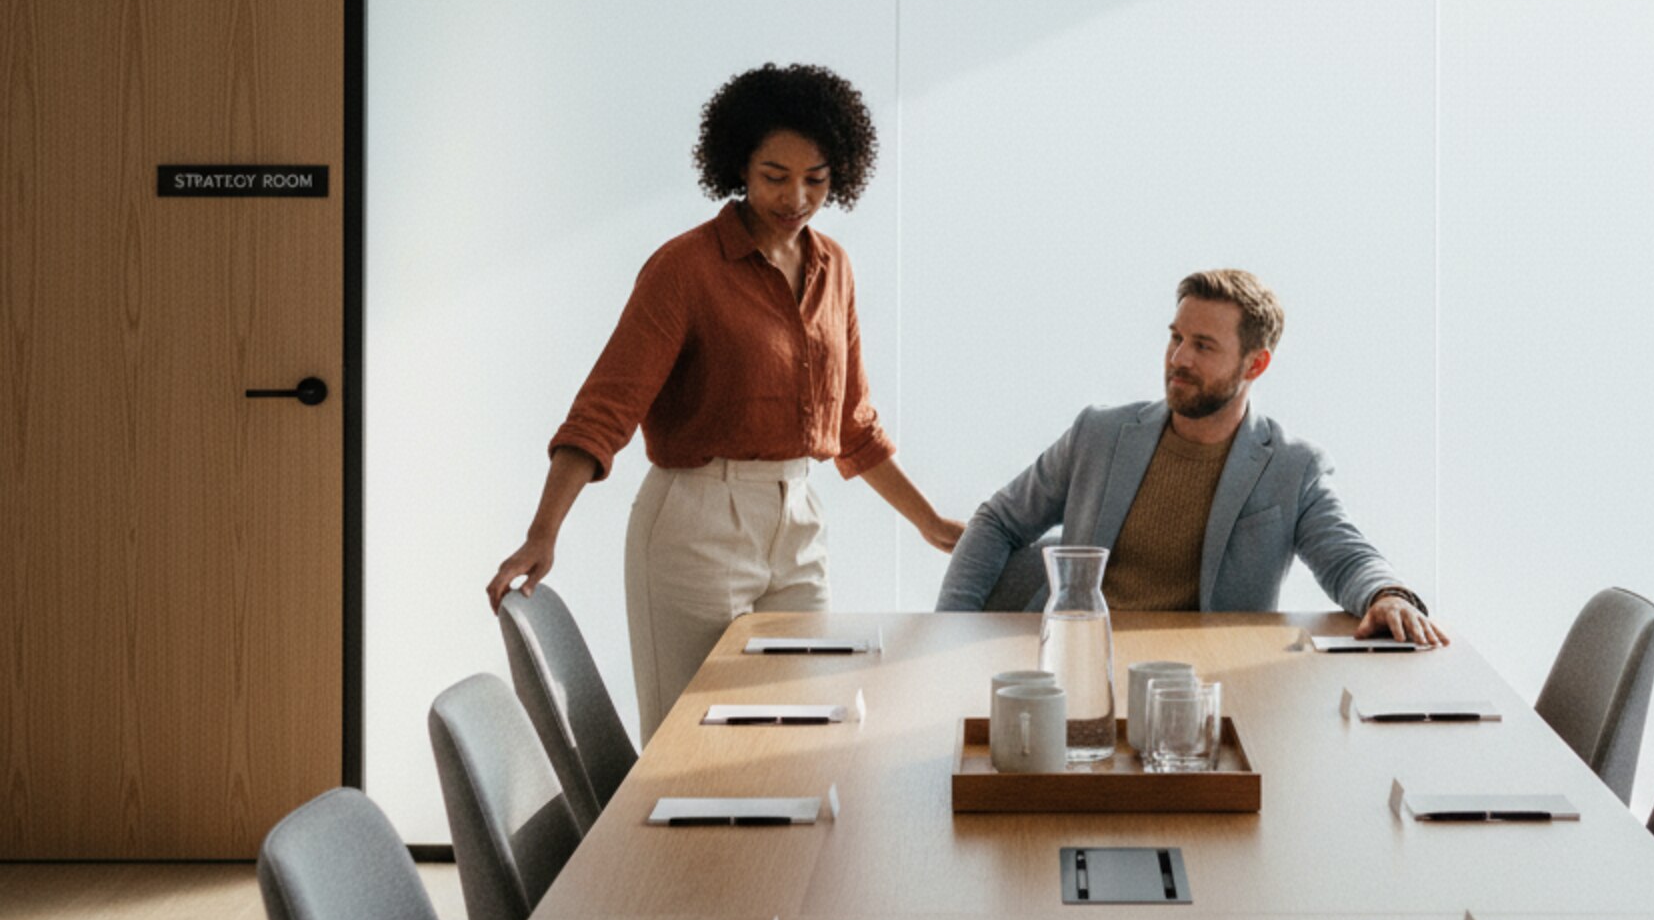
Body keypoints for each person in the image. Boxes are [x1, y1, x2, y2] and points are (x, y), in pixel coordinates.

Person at [488, 63, 963, 739]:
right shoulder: (684, 269)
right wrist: (543, 533)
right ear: (738, 165)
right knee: (687, 742)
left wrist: (931, 524)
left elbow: (853, 425)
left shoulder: (834, 268)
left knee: (795, 736)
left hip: (797, 524)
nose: (796, 197)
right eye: (775, 176)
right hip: (693, 528)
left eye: (816, 178)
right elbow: (604, 411)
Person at [936, 268, 1445, 644]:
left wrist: (1388, 595)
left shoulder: (1292, 468)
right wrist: (947, 631)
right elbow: (999, 521)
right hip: (1070, 658)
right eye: (1176, 338)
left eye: (1203, 346)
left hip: (1201, 679)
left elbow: (1348, 557)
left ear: (1255, 365)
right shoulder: (1099, 433)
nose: (1179, 358)